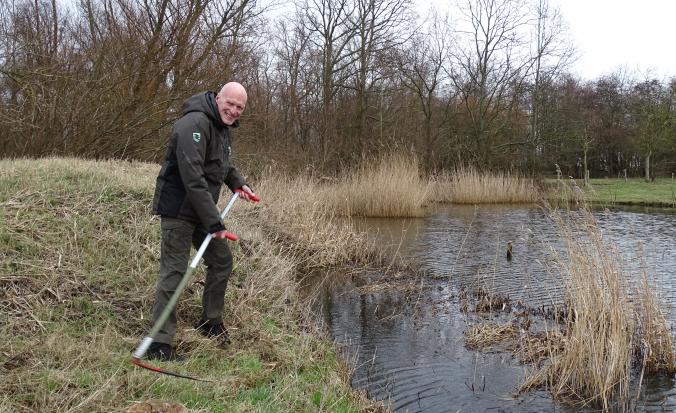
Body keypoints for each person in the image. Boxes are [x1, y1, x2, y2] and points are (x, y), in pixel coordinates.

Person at [147, 82, 257, 361]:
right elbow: (192, 176)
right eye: (230, 103)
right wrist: (215, 223)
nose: (233, 110)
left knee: (221, 261)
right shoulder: (194, 123)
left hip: (200, 211)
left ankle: (210, 322)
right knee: (174, 272)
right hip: (178, 210)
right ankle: (159, 344)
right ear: (218, 97)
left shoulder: (221, 127)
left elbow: (221, 164)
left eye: (239, 107)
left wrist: (237, 183)